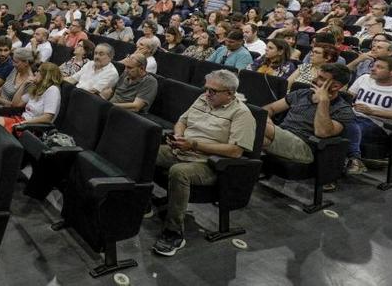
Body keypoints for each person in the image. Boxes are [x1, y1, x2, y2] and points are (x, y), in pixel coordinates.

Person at [151, 70, 256, 257]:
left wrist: (195, 144)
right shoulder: (202, 99)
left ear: (230, 93)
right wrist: (178, 135)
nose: (207, 94)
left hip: (209, 163)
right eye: (206, 89)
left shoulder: (242, 114)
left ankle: (173, 232)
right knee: (145, 152)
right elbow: (182, 121)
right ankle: (140, 203)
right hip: (183, 148)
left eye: (213, 91)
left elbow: (236, 151)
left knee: (179, 172)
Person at [261, 64, 354, 165]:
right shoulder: (302, 93)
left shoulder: (343, 109)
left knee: (254, 126)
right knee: (253, 137)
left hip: (305, 147)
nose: (313, 80)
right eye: (317, 75)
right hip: (279, 135)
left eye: (321, 78)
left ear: (336, 86)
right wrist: (269, 124)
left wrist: (323, 102)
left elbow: (322, 132)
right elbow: (269, 109)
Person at [343, 57, 392, 175]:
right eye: (373, 65)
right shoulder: (364, 78)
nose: (373, 69)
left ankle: (349, 161)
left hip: (377, 124)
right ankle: (354, 160)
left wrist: (373, 112)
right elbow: (347, 98)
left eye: (379, 67)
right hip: (352, 116)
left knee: (347, 128)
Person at [0, 62, 63, 133]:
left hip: (30, 128)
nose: (35, 73)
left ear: (46, 75)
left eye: (38, 71)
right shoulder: (37, 88)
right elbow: (15, 104)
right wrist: (24, 84)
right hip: (21, 120)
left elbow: (47, 118)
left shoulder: (53, 90)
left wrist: (25, 123)